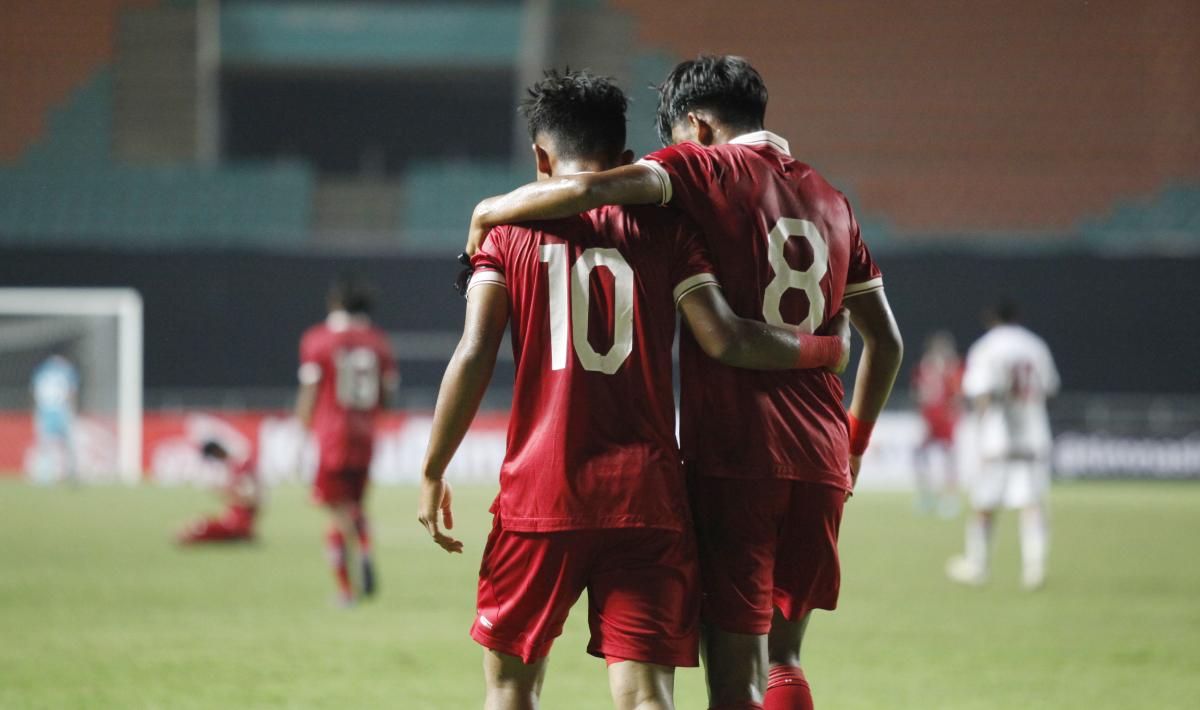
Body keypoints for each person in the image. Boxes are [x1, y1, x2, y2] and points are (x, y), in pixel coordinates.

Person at [463, 56, 904, 710]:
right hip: (820, 459)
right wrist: (854, 441)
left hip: (737, 458)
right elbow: (886, 343)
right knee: (784, 659)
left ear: (695, 126)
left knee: (738, 684)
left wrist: (490, 211)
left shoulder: (701, 169)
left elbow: (590, 189)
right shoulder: (834, 201)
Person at [296, 278, 398, 606]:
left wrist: (301, 429)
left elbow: (311, 390)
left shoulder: (318, 339)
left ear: (335, 304)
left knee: (337, 512)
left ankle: (346, 590)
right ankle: (363, 549)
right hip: (365, 434)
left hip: (332, 435)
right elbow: (388, 396)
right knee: (354, 507)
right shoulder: (379, 342)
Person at [947, 302, 1059, 590]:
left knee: (984, 504)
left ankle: (978, 565)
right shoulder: (1035, 346)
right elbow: (1049, 390)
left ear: (991, 319)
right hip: (1034, 436)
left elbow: (981, 394)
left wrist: (980, 432)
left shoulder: (986, 347)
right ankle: (1034, 569)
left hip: (998, 438)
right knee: (1032, 504)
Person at [911, 331, 964, 516]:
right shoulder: (926, 366)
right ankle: (926, 496)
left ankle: (949, 498)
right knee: (921, 455)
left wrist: (955, 413)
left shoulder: (952, 368)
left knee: (949, 458)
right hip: (929, 418)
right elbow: (919, 392)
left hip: (945, 418)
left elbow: (957, 394)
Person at [176, 440, 260, 544]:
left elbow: (249, 498)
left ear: (216, 452)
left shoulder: (240, 465)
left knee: (201, 527)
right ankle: (242, 532)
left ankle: (241, 532)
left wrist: (224, 490)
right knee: (201, 523)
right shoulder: (233, 465)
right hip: (238, 513)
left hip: (241, 515)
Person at [30, 353, 79, 484]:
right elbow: (71, 391)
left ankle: (45, 475)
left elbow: (35, 392)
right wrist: (72, 411)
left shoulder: (41, 371)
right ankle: (67, 474)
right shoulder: (66, 370)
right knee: (66, 445)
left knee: (45, 445)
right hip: (61, 410)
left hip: (44, 411)